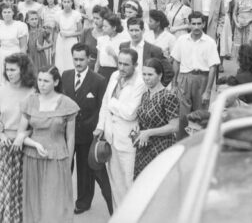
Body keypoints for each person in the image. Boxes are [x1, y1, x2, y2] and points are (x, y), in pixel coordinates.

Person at [16, 66, 79, 223]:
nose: (41, 84)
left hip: (57, 158)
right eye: (39, 80)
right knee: (34, 200)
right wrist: (35, 145)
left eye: (46, 81)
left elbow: (70, 137)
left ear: (56, 82)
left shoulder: (67, 104)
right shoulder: (30, 101)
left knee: (55, 201)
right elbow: (20, 134)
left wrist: (68, 163)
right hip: (32, 157)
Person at [60, 43, 113, 216]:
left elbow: (102, 107)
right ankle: (62, 200)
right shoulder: (65, 75)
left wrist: (99, 130)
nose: (78, 63)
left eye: (81, 59)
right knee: (64, 168)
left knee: (85, 171)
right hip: (66, 132)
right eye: (75, 59)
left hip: (87, 133)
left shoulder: (99, 80)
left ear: (89, 58)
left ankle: (83, 202)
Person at [0, 53, 36, 223]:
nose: (9, 73)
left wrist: (22, 136)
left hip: (24, 147)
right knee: (0, 193)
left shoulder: (33, 92)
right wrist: (0, 134)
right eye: (7, 70)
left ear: (23, 70)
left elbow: (35, 125)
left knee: (19, 193)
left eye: (13, 70)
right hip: (3, 147)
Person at [94, 49, 145, 209]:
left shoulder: (140, 82)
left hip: (127, 140)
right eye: (119, 63)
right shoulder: (114, 75)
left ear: (135, 65)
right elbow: (104, 102)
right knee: (114, 182)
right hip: (110, 137)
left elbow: (130, 113)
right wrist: (100, 126)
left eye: (126, 64)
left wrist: (113, 103)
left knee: (129, 182)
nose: (121, 68)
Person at [133, 59, 180, 177]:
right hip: (143, 148)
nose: (146, 78)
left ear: (160, 76)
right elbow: (144, 116)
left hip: (161, 148)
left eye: (150, 75)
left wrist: (149, 132)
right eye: (144, 74)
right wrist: (137, 125)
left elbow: (174, 126)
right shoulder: (145, 95)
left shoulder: (168, 96)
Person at [172, 11, 220, 118]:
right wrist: (174, 85)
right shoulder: (182, 40)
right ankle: (184, 129)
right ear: (189, 24)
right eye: (193, 24)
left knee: (200, 114)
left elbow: (213, 68)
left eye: (199, 23)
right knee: (183, 114)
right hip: (184, 79)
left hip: (202, 79)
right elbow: (176, 62)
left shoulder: (210, 42)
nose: (196, 27)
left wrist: (208, 91)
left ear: (203, 24)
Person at [0, 5, 28, 82]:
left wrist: (22, 61)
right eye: (4, 12)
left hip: (15, 54)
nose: (7, 14)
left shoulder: (20, 26)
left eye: (9, 12)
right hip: (1, 54)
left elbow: (23, 46)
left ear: (13, 13)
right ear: (1, 13)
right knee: (0, 78)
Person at [54, 0, 83, 74]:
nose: (66, 4)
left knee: (70, 60)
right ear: (62, 3)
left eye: (68, 2)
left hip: (71, 41)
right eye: (64, 2)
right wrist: (54, 46)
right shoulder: (58, 14)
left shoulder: (76, 14)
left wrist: (68, 35)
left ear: (72, 2)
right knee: (60, 61)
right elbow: (56, 31)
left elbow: (80, 31)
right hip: (60, 41)